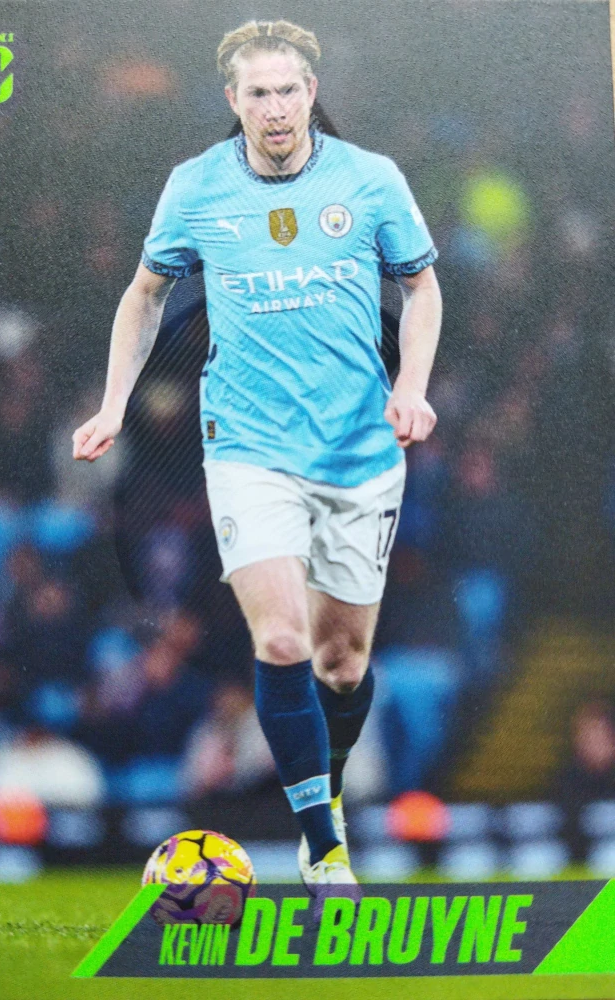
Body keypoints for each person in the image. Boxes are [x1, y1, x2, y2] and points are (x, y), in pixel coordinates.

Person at [73, 19, 442, 891]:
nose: (275, 107)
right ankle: (325, 849)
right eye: (258, 92)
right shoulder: (196, 187)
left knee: (342, 664)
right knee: (280, 638)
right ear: (232, 99)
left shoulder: (370, 180)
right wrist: (114, 403)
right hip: (247, 446)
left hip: (358, 450)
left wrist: (412, 385)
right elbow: (145, 295)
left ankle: (327, 788)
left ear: (311, 93)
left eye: (288, 90)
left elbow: (422, 287)